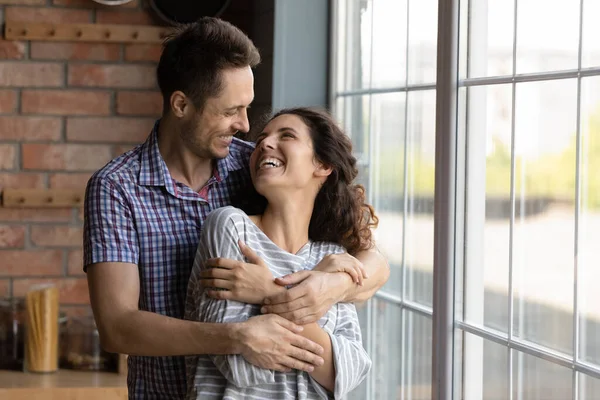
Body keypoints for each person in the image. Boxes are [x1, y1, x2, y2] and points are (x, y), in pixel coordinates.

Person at [83, 17, 389, 399]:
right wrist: (234, 338)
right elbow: (118, 327)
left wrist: (332, 285)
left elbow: (371, 260)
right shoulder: (117, 188)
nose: (245, 126)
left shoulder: (255, 169)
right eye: (231, 110)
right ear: (181, 104)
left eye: (247, 108)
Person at [185, 107, 376, 399]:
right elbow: (239, 367)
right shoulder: (231, 227)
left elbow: (344, 374)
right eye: (262, 138)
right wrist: (312, 318)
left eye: (286, 135)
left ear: (323, 164)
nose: (264, 144)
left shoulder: (332, 259)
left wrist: (266, 291)